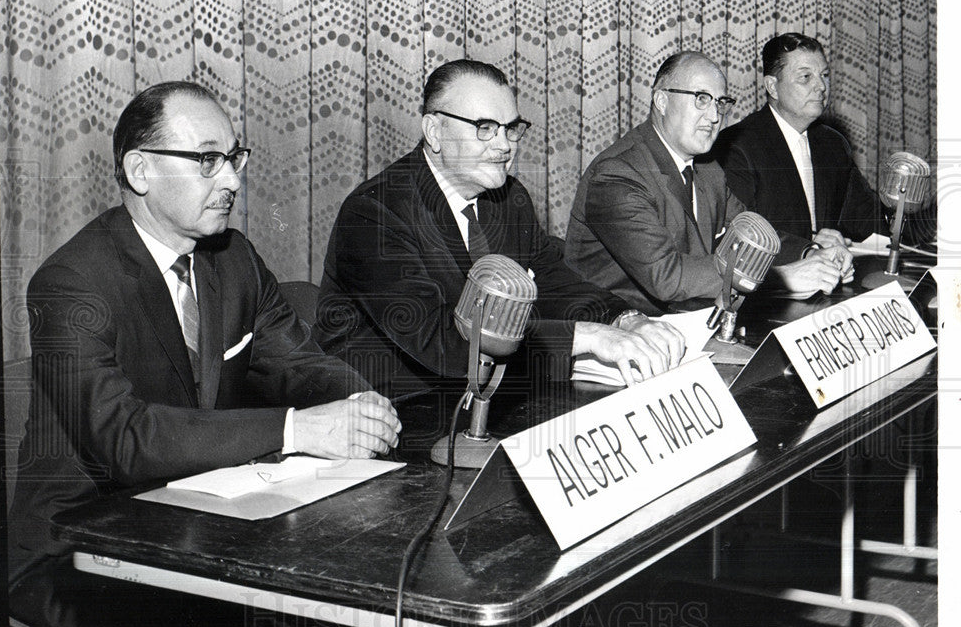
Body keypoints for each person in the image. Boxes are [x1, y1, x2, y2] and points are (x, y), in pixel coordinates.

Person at [7, 81, 401, 627]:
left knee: (364, 605)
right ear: (140, 170)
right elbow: (127, 440)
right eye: (206, 160)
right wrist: (299, 428)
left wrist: (355, 405)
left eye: (234, 157)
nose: (233, 180)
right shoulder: (69, 283)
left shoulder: (232, 258)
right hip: (76, 549)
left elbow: (299, 361)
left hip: (196, 520)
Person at [314, 59, 685, 399]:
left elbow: (555, 282)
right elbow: (439, 340)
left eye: (511, 129)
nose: (504, 145)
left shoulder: (510, 197)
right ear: (434, 131)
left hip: (485, 391)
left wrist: (624, 320)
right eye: (484, 128)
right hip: (392, 406)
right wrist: (587, 336)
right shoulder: (374, 213)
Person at [564, 51, 853, 315]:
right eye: (701, 99)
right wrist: (783, 277)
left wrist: (813, 255)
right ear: (662, 100)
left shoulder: (707, 168)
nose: (715, 116)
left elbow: (752, 232)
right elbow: (667, 277)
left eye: (721, 103)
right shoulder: (617, 175)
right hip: (617, 332)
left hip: (686, 321)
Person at [714, 32, 885, 246]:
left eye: (824, 75)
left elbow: (866, 220)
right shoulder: (735, 147)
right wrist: (809, 247)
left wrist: (904, 208)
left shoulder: (833, 143)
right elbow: (740, 237)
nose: (821, 87)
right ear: (773, 87)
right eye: (806, 77)